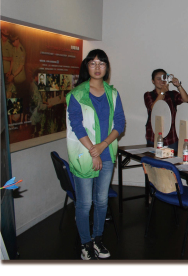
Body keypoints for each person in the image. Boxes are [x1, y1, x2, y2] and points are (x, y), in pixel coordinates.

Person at [66, 49, 126, 260]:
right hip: (84, 155)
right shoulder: (77, 94)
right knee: (84, 204)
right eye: (93, 63)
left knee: (101, 201)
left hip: (107, 154)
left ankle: (97, 240)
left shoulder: (113, 94)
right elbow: (76, 125)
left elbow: (120, 123)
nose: (97, 67)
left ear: (107, 67)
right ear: (87, 66)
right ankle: (85, 243)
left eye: (102, 63)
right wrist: (94, 151)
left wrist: (103, 146)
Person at [144, 69, 188, 151]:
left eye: (163, 78)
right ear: (153, 81)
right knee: (154, 159)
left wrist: (178, 85)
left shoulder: (172, 94)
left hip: (171, 137)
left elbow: (186, 100)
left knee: (172, 159)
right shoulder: (148, 95)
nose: (161, 81)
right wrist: (162, 92)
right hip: (154, 136)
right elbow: (153, 108)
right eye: (158, 79)